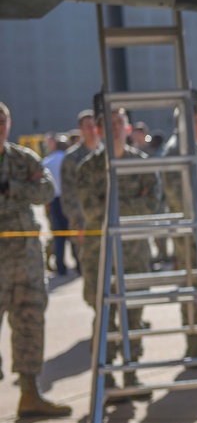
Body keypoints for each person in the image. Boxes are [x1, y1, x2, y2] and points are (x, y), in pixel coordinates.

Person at [78, 108, 159, 399]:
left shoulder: (143, 164)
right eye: (106, 124)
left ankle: (131, 373)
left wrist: (114, 204)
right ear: (97, 130)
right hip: (101, 255)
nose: (113, 127)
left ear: (127, 127)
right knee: (104, 316)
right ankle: (106, 377)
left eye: (118, 122)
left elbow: (153, 207)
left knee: (134, 316)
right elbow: (93, 210)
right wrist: (132, 203)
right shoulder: (88, 168)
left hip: (135, 254)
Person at [0, 102, 72, 423]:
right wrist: (22, 191)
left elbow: (46, 190)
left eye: (2, 120)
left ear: (9, 123)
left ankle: (30, 394)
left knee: (30, 324)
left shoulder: (22, 158)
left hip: (26, 259)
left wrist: (11, 188)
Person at [163, 103, 197, 357]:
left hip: (196, 234)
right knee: (195, 290)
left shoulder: (192, 148)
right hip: (192, 236)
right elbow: (184, 198)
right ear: (191, 124)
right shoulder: (181, 150)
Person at [62, 109, 102, 271]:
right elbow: (68, 195)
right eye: (88, 127)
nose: (92, 130)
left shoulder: (108, 153)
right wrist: (79, 223)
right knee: (91, 270)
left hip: (108, 222)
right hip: (85, 225)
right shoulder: (71, 158)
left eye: (95, 126)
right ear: (80, 129)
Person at [41, 133, 70, 276]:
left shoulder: (47, 162)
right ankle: (78, 265)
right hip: (68, 200)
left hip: (53, 201)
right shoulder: (69, 160)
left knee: (58, 235)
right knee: (73, 232)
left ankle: (61, 266)